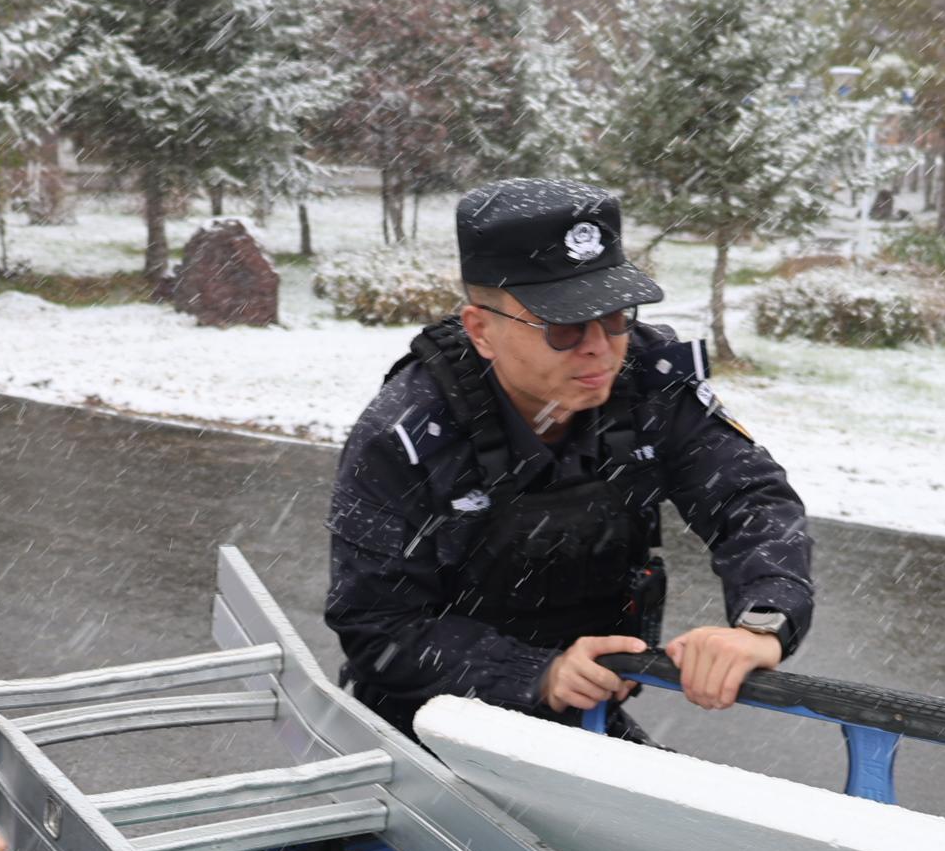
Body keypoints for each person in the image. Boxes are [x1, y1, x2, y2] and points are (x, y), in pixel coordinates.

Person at [327, 178, 815, 737]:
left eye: (617, 316)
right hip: (428, 717)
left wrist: (763, 621)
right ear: (481, 330)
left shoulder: (648, 380)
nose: (600, 348)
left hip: (586, 710)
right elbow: (378, 625)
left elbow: (749, 498)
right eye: (563, 326)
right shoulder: (407, 433)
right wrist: (538, 673)